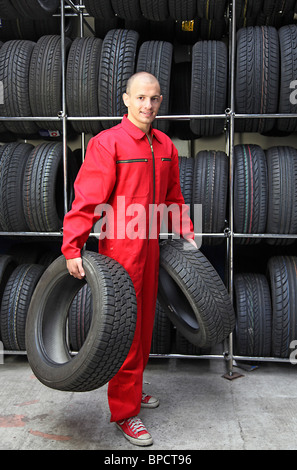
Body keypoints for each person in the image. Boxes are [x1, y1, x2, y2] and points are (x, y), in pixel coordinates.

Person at [61, 72, 197, 446]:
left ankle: (133, 391)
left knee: (144, 325)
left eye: (153, 99)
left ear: (160, 100)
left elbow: (173, 196)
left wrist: (185, 230)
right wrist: (72, 247)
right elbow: (86, 199)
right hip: (120, 248)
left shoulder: (166, 144)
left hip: (151, 242)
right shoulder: (109, 144)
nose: (147, 106)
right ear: (125, 99)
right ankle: (124, 412)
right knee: (124, 330)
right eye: (140, 98)